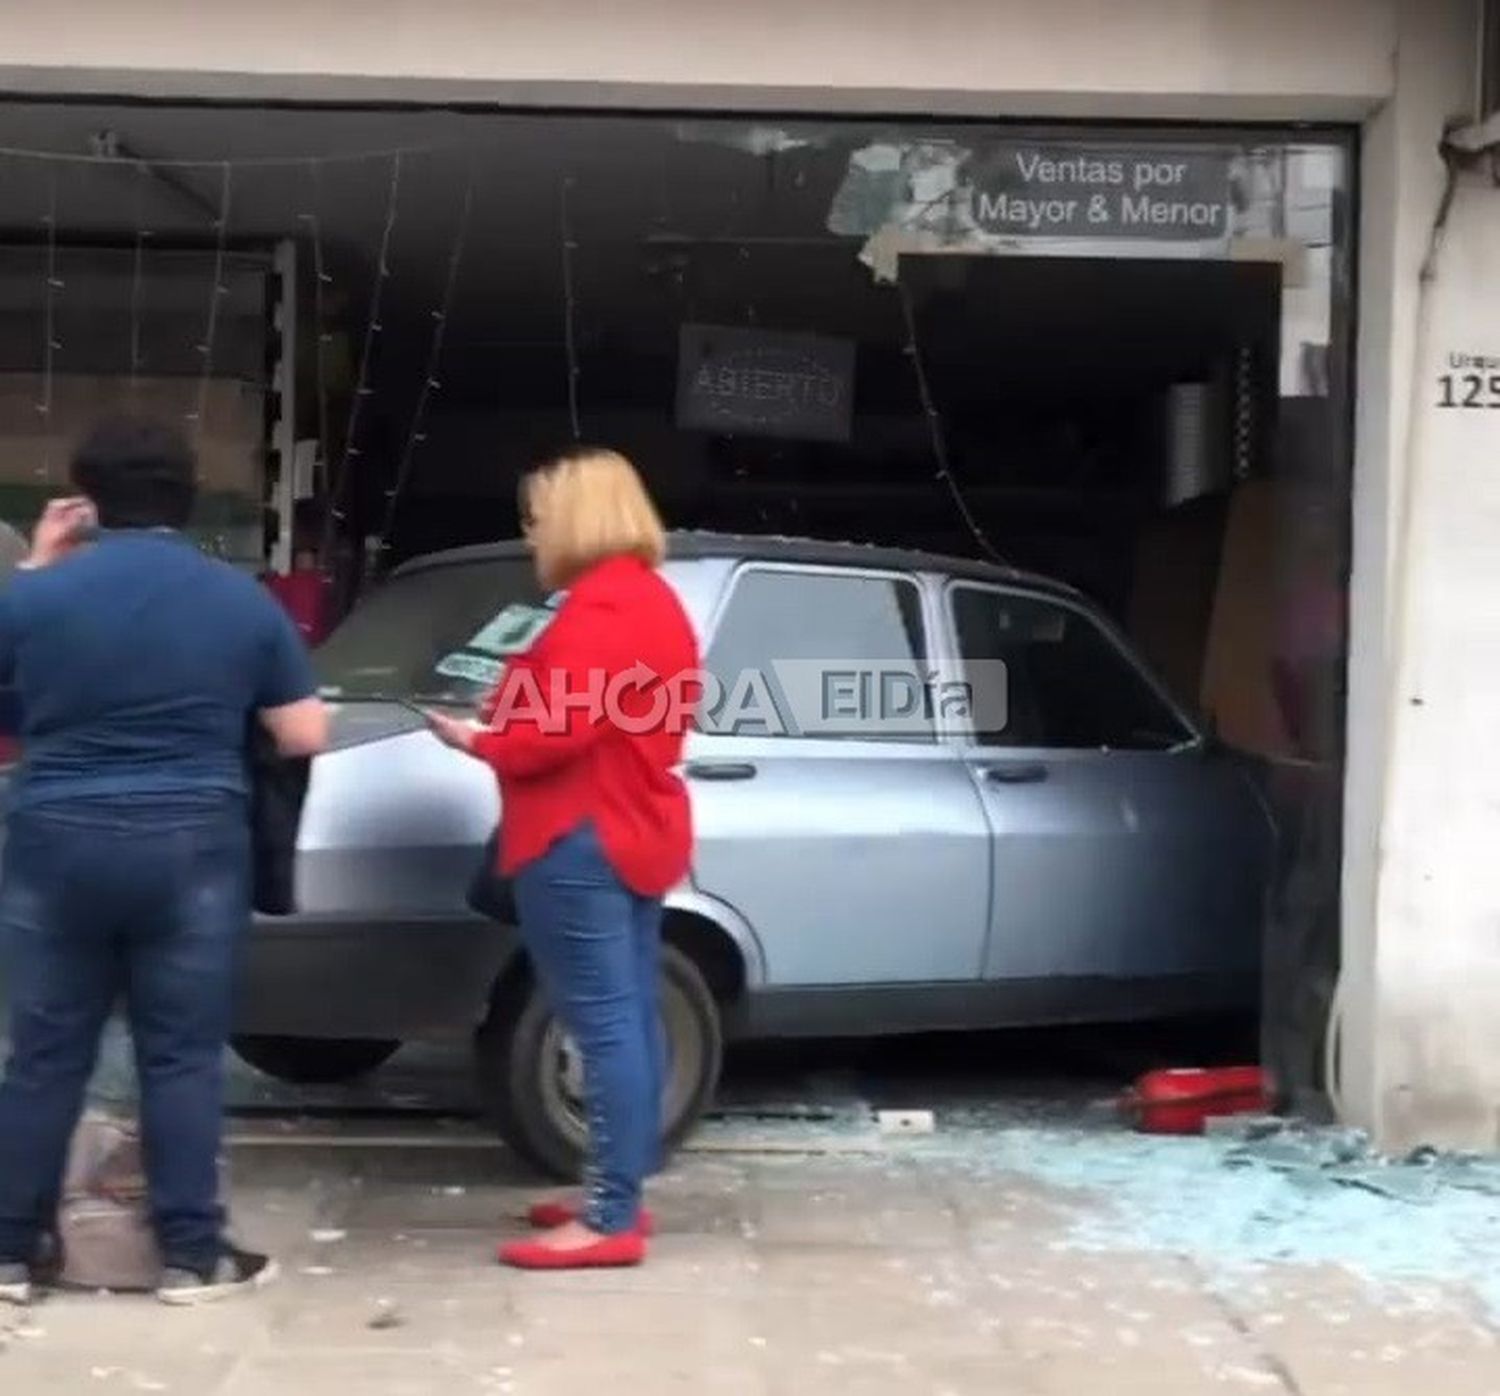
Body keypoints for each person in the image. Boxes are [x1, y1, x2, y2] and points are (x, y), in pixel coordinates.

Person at [0, 416, 328, 1307]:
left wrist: (35, 566)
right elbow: (303, 731)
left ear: (85, 502)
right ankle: (192, 1257)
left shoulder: (32, 598)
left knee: (42, 1054)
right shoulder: (238, 600)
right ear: (184, 499)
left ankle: (10, 1253)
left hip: (55, 842)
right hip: (192, 845)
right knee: (179, 1056)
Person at [425, 447, 698, 1272]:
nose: (532, 531)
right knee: (630, 1014)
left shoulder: (597, 607)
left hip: (576, 832)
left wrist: (477, 737)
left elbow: (551, 733)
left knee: (601, 1022)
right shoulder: (653, 601)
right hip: (635, 826)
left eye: (539, 516)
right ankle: (620, 1192)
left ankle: (610, 1216)